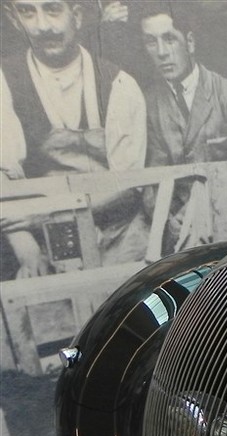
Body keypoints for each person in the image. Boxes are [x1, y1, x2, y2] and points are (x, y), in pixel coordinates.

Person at [1, 0, 148, 273]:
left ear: (77, 16)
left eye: (53, 9)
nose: (43, 26)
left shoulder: (120, 84)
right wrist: (27, 251)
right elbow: (2, 178)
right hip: (40, 241)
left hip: (119, 236)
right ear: (14, 19)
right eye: (27, 12)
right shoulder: (4, 82)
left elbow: (129, 185)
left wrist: (48, 212)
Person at [138, 2, 227, 254]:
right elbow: (152, 180)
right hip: (175, 236)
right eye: (151, 42)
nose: (161, 52)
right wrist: (169, 220)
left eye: (170, 39)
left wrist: (194, 212)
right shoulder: (148, 103)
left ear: (190, 42)